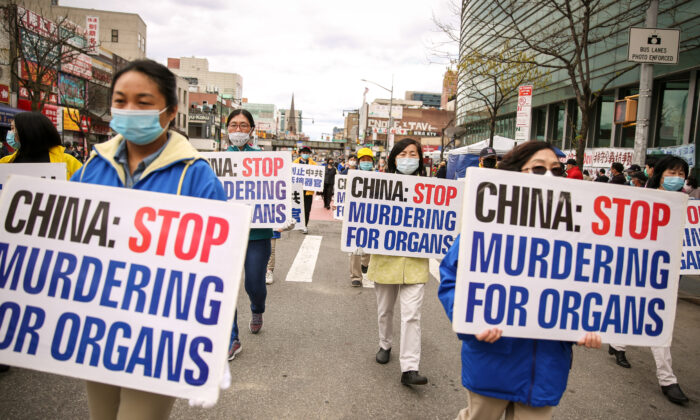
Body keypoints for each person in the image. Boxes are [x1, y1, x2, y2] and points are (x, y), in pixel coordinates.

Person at [71, 59, 227, 420]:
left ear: (170, 112)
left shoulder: (196, 176)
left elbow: (219, 263)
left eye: (143, 102)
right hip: (98, 327)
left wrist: (214, 340)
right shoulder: (92, 167)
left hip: (158, 336)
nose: (129, 111)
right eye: (120, 100)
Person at [438, 140, 601, 420]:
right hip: (493, 357)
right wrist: (470, 320)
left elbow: (594, 287)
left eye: (556, 170)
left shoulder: (578, 237)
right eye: (538, 169)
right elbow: (452, 280)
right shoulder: (485, 228)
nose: (550, 176)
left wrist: (589, 323)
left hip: (547, 366)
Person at [609, 155, 690, 405]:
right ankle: (667, 379)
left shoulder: (687, 203)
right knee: (648, 316)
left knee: (654, 317)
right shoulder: (644, 199)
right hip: (640, 267)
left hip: (666, 272)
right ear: (660, 174)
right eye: (671, 173)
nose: (676, 178)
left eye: (681, 174)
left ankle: (618, 345)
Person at [369, 138, 430, 386]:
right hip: (385, 260)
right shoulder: (378, 186)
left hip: (415, 261)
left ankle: (410, 367)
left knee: (412, 315)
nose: (408, 157)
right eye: (403, 153)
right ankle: (385, 343)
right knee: (385, 310)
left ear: (420, 159)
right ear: (394, 158)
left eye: (413, 153)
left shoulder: (430, 189)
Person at [224, 109, 275, 359]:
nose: (238, 131)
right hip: (227, 234)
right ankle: (231, 338)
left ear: (252, 130)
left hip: (258, 233)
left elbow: (278, 190)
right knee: (227, 286)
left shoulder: (263, 159)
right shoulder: (218, 160)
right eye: (233, 125)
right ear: (226, 129)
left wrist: (283, 214)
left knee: (253, 283)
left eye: (244, 126)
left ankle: (257, 308)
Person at [0, 112, 82, 179]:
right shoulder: (5, 163)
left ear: (28, 131)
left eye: (13, 128)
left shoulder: (69, 162)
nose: (10, 133)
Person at [347, 147, 374, 287]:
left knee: (370, 245)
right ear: (358, 162)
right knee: (354, 247)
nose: (365, 162)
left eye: (368, 160)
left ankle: (365, 263)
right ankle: (355, 276)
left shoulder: (380, 177)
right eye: (363, 160)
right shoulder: (350, 176)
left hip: (372, 217)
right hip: (355, 216)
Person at [293, 146, 317, 234]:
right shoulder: (294, 163)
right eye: (304, 153)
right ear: (300, 153)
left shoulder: (314, 164)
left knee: (307, 209)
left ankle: (304, 226)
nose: (305, 154)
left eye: (307, 153)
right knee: (296, 208)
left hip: (308, 191)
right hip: (296, 190)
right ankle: (296, 224)